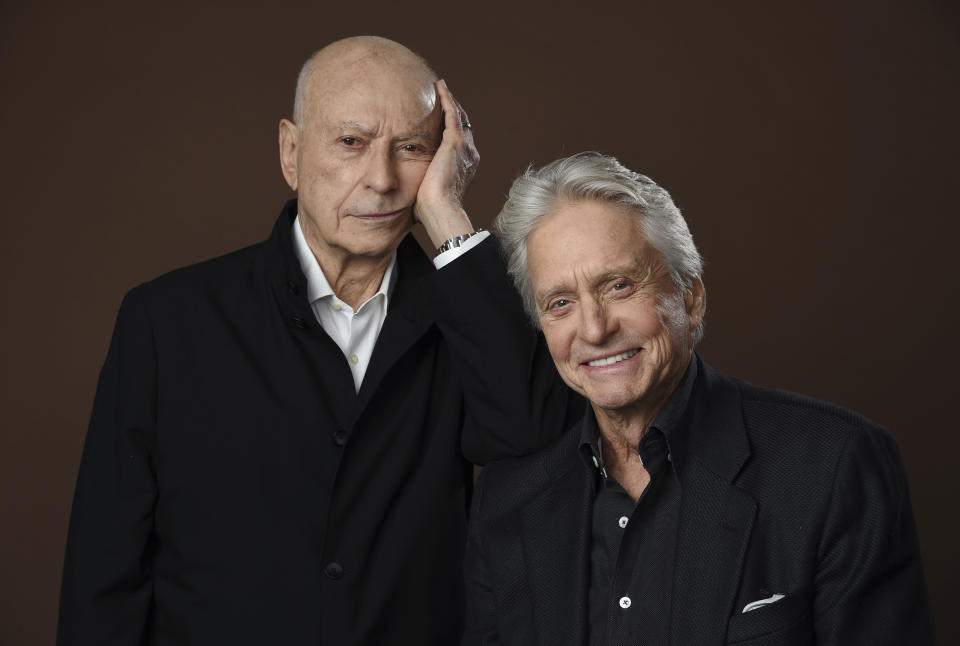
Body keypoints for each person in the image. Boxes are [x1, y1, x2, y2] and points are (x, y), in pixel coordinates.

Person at [58, 37, 575, 645]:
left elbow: (530, 431)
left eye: (411, 148)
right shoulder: (165, 321)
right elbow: (104, 578)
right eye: (351, 143)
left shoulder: (464, 313)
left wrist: (448, 219)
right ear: (291, 151)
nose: (381, 180)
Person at [462, 152, 934, 645]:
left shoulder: (832, 465)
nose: (595, 329)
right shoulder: (509, 499)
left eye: (619, 286)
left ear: (691, 297)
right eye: (560, 303)